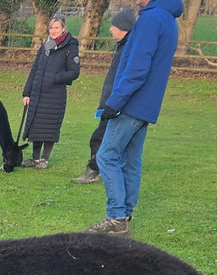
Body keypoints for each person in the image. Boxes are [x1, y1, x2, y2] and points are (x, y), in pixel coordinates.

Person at [86, 0, 182, 236]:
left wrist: (114, 102)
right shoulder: (166, 18)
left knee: (106, 155)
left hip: (132, 103)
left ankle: (116, 217)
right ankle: (125, 215)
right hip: (146, 106)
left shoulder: (151, 19)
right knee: (130, 160)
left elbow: (137, 68)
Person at [72, 9, 136, 184]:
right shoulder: (123, 47)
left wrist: (111, 104)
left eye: (113, 26)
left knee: (99, 138)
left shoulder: (128, 49)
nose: (110, 30)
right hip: (111, 101)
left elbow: (122, 80)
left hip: (115, 104)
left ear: (122, 27)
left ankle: (93, 171)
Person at [21, 14, 80, 168]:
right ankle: (34, 158)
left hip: (55, 95)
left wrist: (54, 78)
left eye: (57, 28)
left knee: (50, 126)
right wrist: (26, 92)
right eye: (51, 28)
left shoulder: (70, 46)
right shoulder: (46, 45)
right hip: (38, 93)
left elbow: (74, 72)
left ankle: (44, 159)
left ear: (63, 29)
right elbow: (35, 69)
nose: (53, 31)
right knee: (36, 125)